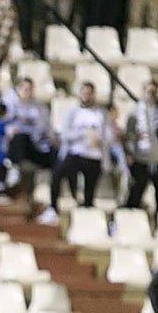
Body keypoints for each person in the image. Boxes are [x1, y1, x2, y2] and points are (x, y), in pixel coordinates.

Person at [42, 81, 109, 225]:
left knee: (90, 189)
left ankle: (86, 217)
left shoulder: (101, 114)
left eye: (89, 93)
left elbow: (108, 135)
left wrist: (99, 139)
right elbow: (65, 135)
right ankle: (53, 207)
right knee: (57, 174)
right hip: (76, 153)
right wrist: (84, 134)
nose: (86, 96)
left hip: (94, 156)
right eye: (84, 93)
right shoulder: (73, 113)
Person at [125, 76, 158, 220]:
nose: (151, 95)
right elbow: (130, 136)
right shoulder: (135, 113)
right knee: (135, 196)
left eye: (154, 92)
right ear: (143, 93)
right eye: (149, 91)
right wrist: (130, 153)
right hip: (141, 160)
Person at [2, 77, 55, 195]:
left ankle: (47, 186)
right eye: (24, 89)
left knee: (54, 150)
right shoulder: (9, 104)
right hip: (15, 144)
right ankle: (14, 168)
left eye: (30, 89)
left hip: (35, 144)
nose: (27, 91)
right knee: (20, 137)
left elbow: (46, 128)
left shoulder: (40, 108)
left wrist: (51, 140)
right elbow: (2, 124)